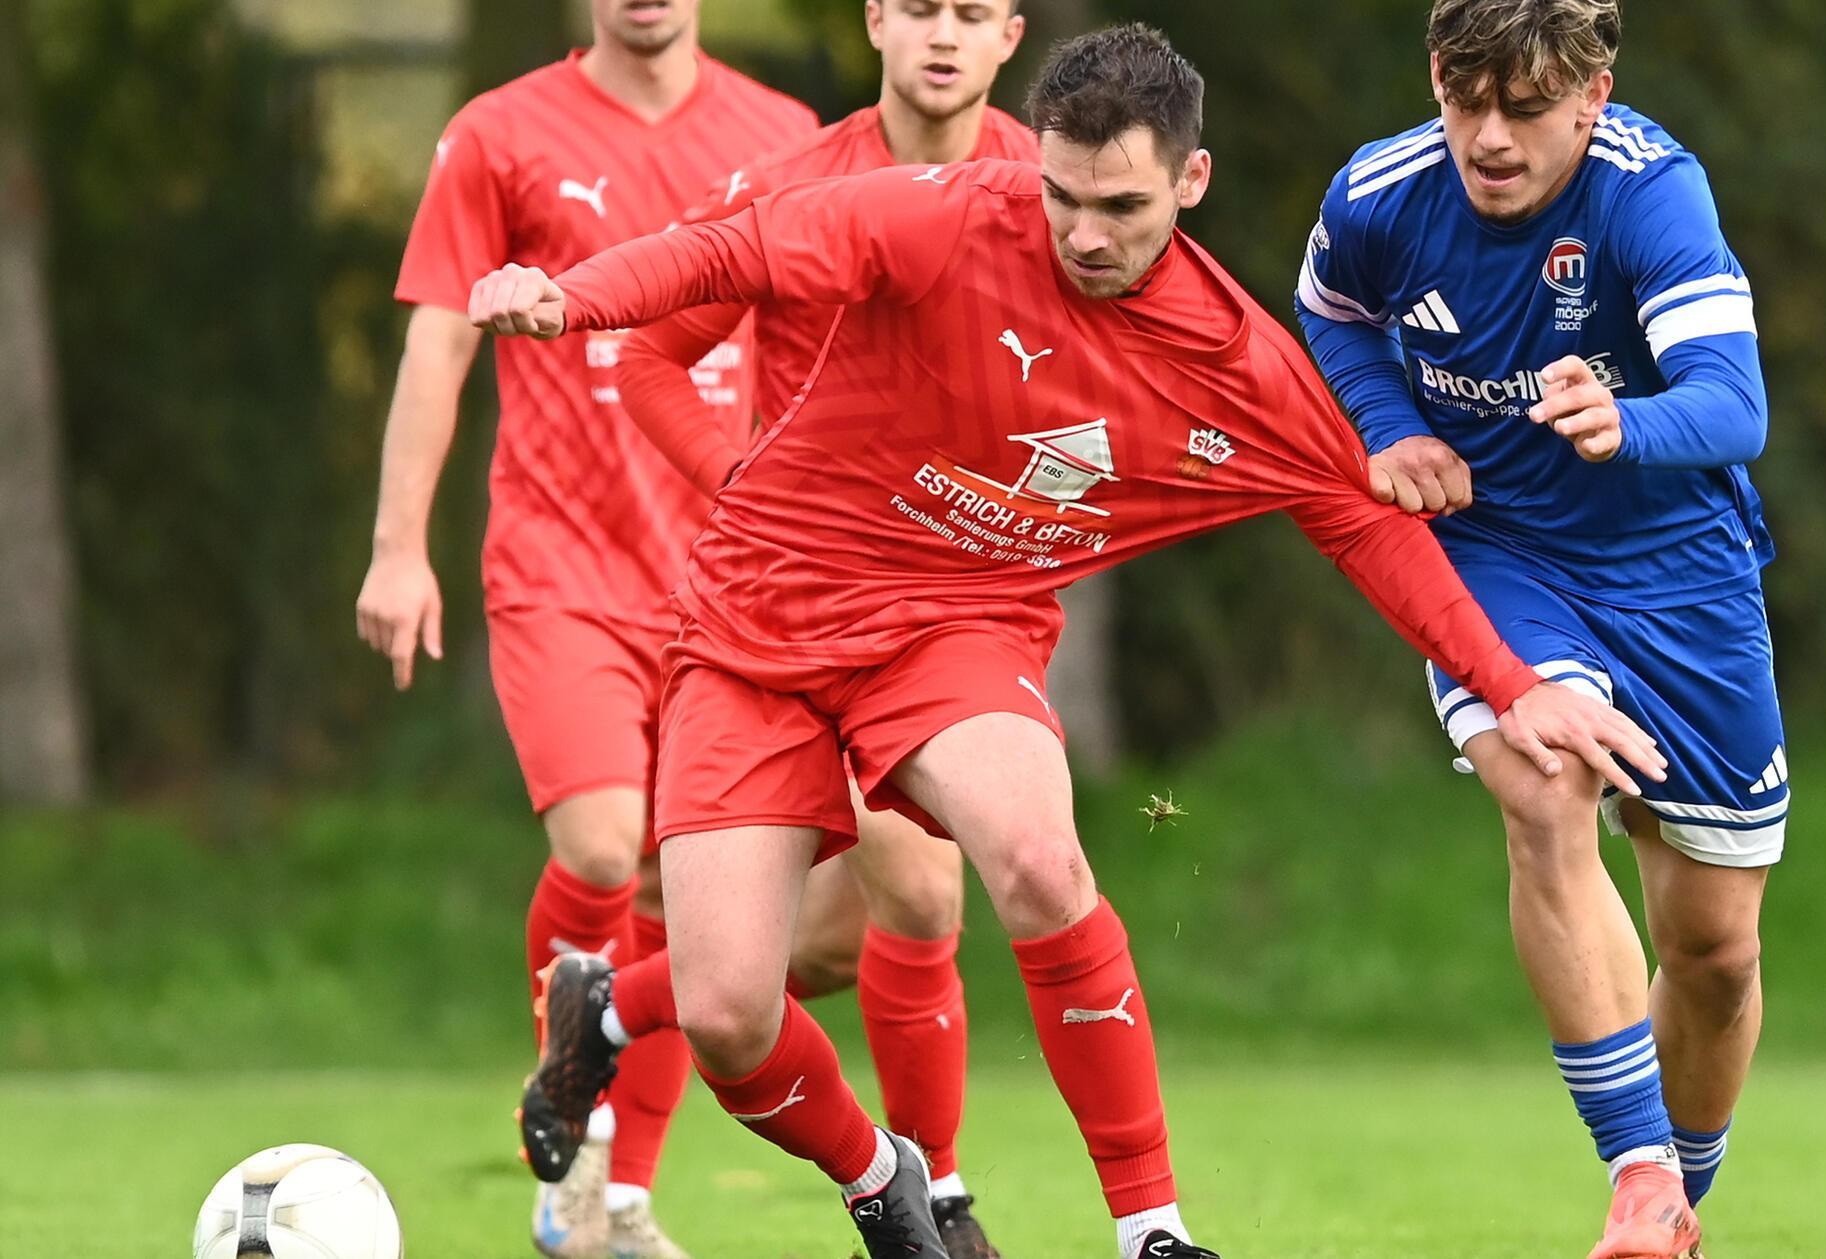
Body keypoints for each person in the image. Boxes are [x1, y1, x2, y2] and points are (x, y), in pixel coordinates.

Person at [471, 24, 1665, 1259]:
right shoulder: (936, 214)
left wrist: (1514, 686)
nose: (1083, 234)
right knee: (729, 1011)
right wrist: (569, 297)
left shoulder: (1234, 361)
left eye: (1120, 205)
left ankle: (1151, 1229)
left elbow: (1362, 526)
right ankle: (876, 1173)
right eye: (1061, 196)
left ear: (1189, 185)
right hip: (756, 619)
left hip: (954, 627)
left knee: (1035, 858)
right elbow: (728, 249)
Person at [532, 4, 1037, 1255]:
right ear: (875, 17)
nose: (941, 34)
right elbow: (652, 363)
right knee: (900, 897)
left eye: (971, 11)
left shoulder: (1050, 185)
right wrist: (744, 481)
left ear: (1011, 33)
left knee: (833, 939)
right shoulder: (794, 183)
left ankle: (608, 1010)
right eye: (918, 5)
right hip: (797, 617)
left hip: (953, 607)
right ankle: (934, 1194)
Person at [1293, 2, 1778, 1256]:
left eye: (1521, 107)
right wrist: (1387, 427)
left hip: (1675, 570)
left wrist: (1629, 421)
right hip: (1497, 550)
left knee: (1715, 950)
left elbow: (1732, 403)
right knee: (1540, 774)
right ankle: (1632, 1168)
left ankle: (1675, 1204)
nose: (1487, 137)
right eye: (1464, 101)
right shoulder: (1379, 193)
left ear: (1591, 95)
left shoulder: (1648, 194)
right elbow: (1333, 317)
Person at [350, 2, 815, 1254]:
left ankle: (608, 1199)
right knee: (608, 848)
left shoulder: (782, 138)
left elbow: (829, 347)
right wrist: (399, 549)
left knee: (695, 895)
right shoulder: (499, 134)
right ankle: (582, 1105)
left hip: (728, 580)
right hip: (560, 563)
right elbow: (438, 337)